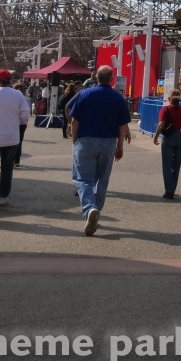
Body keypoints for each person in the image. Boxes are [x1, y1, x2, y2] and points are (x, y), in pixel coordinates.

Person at [66, 65, 132, 236]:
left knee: (82, 179)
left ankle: (89, 209)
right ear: (111, 79)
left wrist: (75, 140)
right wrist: (120, 146)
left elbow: (74, 120)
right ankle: (96, 210)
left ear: (96, 78)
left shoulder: (84, 94)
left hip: (86, 140)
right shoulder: (118, 98)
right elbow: (122, 124)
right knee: (101, 179)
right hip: (109, 142)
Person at [0, 69, 30, 210]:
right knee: (7, 168)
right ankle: (3, 196)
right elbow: (25, 115)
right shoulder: (18, 94)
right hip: (12, 138)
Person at [152, 88, 181, 199]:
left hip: (168, 137)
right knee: (176, 164)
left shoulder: (165, 110)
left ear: (169, 98)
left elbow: (161, 124)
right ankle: (172, 188)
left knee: (167, 164)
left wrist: (156, 136)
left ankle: (169, 190)